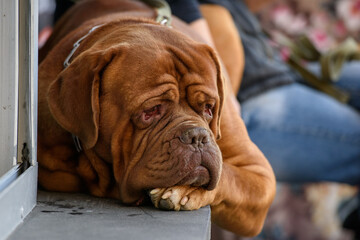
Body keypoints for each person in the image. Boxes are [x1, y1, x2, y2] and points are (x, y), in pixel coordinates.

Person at [50, 0, 360, 237]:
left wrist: (218, 184)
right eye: (151, 112)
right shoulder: (52, 104)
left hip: (266, 65)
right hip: (254, 90)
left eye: (206, 111)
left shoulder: (198, 71)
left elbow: (256, 199)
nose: (195, 137)